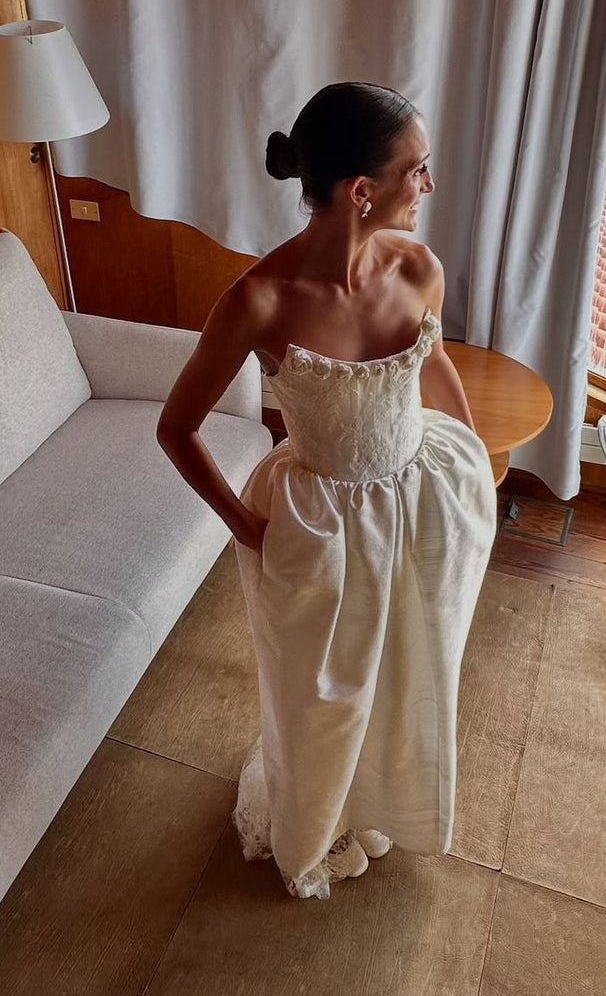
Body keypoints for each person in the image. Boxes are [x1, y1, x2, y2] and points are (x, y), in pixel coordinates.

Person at [156, 82, 497, 900]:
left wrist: (474, 457)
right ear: (361, 190)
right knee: (322, 698)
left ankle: (389, 801)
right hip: (318, 531)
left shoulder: (419, 266)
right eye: (419, 169)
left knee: (412, 671)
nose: (430, 184)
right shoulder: (258, 301)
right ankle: (315, 817)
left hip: (419, 506)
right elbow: (177, 428)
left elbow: (431, 360)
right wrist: (248, 528)